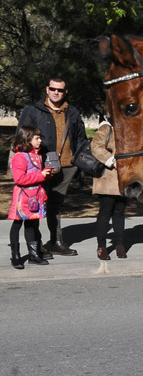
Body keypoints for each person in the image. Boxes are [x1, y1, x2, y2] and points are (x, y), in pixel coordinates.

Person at [17, 77, 90, 256]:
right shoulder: (33, 110)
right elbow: (22, 137)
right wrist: (28, 162)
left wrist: (79, 162)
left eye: (60, 90)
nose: (56, 92)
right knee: (35, 204)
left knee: (55, 206)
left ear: (66, 92)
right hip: (39, 167)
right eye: (53, 89)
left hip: (66, 167)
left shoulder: (72, 112)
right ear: (47, 89)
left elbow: (80, 138)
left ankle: (56, 242)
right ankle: (36, 246)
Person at [7, 127, 54, 268]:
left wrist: (46, 175)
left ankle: (33, 254)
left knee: (32, 224)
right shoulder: (19, 157)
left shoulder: (37, 156)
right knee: (17, 224)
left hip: (34, 196)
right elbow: (19, 179)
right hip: (23, 197)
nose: (40, 141)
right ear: (27, 140)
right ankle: (15, 255)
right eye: (37, 138)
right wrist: (40, 175)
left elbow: (36, 176)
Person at [91, 119, 128, 260]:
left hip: (124, 177)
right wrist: (111, 161)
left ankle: (120, 244)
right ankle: (102, 247)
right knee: (105, 212)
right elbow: (96, 146)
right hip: (108, 177)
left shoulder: (127, 126)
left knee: (120, 212)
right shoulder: (107, 127)